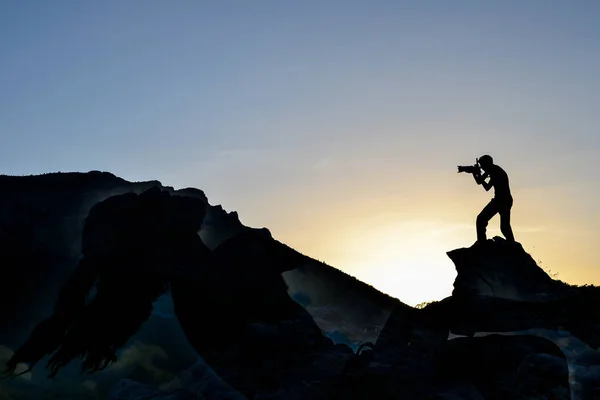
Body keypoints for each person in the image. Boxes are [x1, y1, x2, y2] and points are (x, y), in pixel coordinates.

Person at [472, 155, 515, 243]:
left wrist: (477, 173)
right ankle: (512, 244)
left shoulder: (495, 171)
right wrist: (474, 173)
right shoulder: (491, 169)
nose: (482, 168)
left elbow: (487, 187)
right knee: (504, 227)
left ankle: (482, 243)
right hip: (505, 200)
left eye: (482, 165)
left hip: (501, 200)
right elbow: (479, 181)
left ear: (486, 164)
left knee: (481, 219)